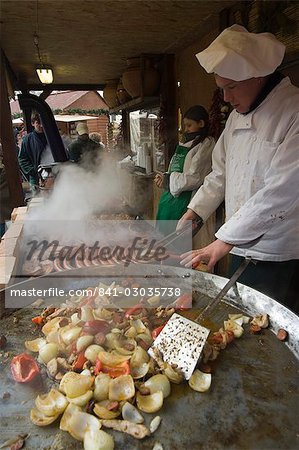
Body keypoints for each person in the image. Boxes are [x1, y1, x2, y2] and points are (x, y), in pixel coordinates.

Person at [179, 25, 299, 309]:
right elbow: (220, 173)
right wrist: (193, 214)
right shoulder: (236, 118)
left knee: (268, 333)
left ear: (257, 76)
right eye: (221, 88)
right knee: (235, 322)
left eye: (231, 87)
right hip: (236, 246)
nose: (226, 98)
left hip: (279, 255)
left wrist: (222, 241)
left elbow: (281, 191)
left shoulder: (294, 111)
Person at [155, 105, 215, 236]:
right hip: (168, 199)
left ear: (201, 123)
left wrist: (168, 180)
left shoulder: (206, 143)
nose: (185, 130)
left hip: (184, 202)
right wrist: (164, 178)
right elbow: (174, 170)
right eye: (185, 126)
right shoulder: (184, 144)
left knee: (175, 242)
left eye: (189, 125)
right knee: (160, 237)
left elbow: (195, 177)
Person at [18, 111, 48, 190]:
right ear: (32, 123)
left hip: (52, 176)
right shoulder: (27, 140)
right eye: (38, 123)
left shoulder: (51, 138)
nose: (41, 125)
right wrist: (34, 171)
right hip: (35, 178)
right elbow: (22, 159)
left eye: (42, 122)